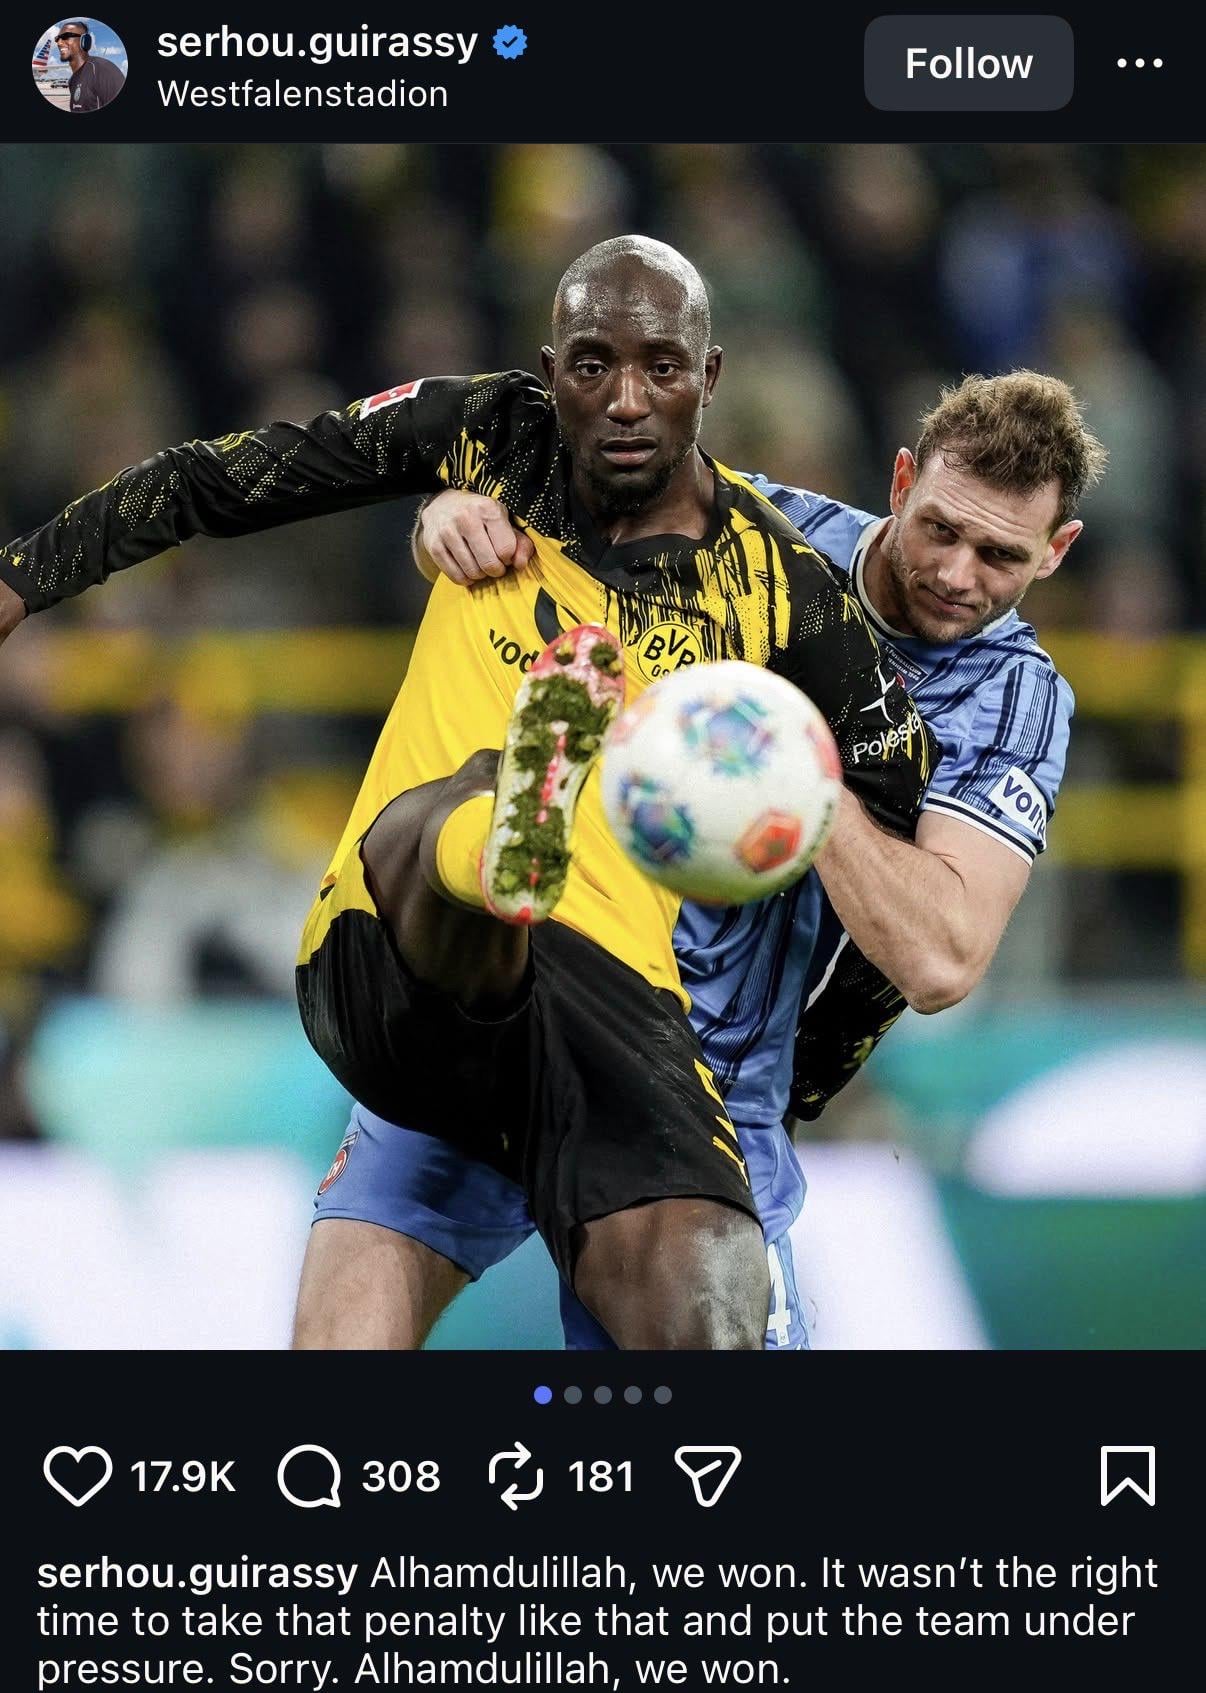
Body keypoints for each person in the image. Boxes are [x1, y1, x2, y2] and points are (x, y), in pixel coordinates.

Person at [0, 236, 933, 1351]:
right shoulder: (488, 435)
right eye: (592, 365)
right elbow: (227, 477)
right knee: (462, 811)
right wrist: (23, 576)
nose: (626, 400)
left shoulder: (789, 594)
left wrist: (805, 1071)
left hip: (608, 1011)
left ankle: (509, 836)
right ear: (549, 371)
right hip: (400, 955)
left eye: (661, 367)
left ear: (709, 375)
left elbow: (898, 808)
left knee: (705, 1317)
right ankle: (506, 835)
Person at [308, 370, 1103, 1351]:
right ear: (901, 481)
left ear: (1056, 550)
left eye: (1000, 555)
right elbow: (516, 520)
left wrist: (794, 779)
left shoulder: (1012, 702)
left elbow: (942, 958)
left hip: (697, 1098)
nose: (956, 571)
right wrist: (446, 522)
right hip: (517, 1013)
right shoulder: (743, 529)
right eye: (939, 528)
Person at [53, 21, 125, 112]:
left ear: (85, 41)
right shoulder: (72, 80)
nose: (59, 43)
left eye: (66, 36)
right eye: (57, 38)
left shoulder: (103, 70)